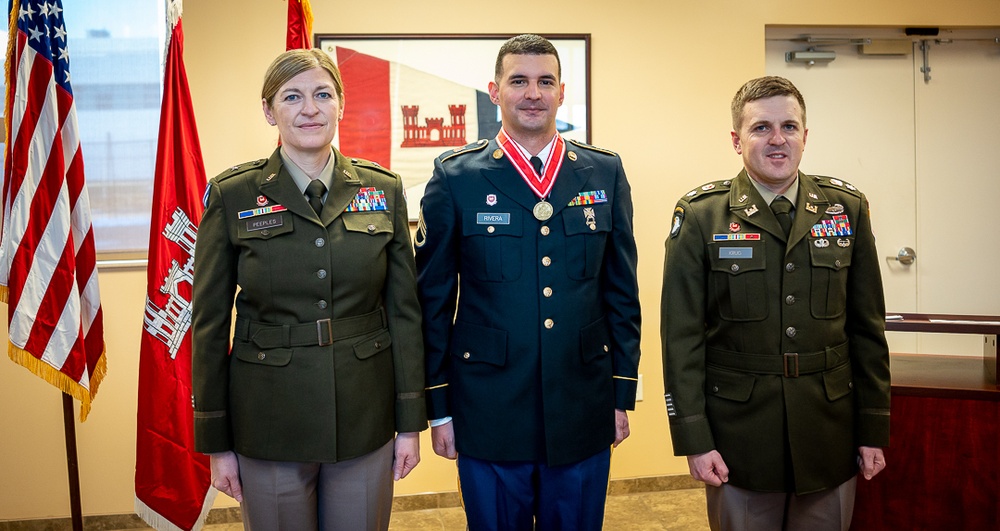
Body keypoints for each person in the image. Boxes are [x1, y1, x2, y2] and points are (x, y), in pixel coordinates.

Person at [191, 48, 426, 531]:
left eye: (323, 94)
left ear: (341, 103)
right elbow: (210, 325)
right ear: (268, 110)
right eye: (292, 96)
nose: (309, 109)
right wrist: (215, 440)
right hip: (268, 420)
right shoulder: (232, 195)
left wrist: (409, 423)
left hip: (365, 416)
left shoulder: (383, 189)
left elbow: (404, 314)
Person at [414, 34, 642, 530]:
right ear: (494, 91)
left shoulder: (603, 172)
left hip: (581, 405)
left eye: (544, 81)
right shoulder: (457, 177)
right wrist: (439, 408)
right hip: (487, 408)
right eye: (518, 81)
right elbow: (431, 301)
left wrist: (621, 394)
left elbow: (621, 293)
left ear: (562, 92)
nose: (532, 92)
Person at [660, 75, 891, 531]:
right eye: (761, 127)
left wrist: (873, 429)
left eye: (789, 126)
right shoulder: (702, 216)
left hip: (829, 430)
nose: (778, 139)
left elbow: (867, 330)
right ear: (736, 139)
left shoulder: (846, 209)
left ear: (806, 135)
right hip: (739, 437)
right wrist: (694, 438)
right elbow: (681, 337)